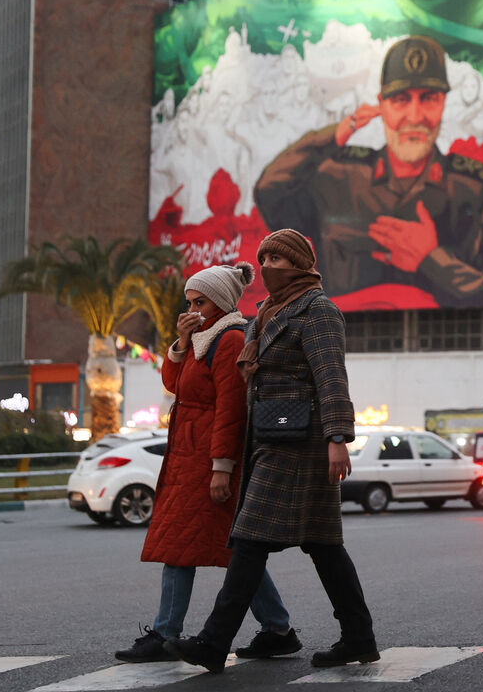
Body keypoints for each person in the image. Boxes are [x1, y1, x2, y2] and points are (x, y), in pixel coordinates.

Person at [163, 229, 377, 674]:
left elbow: (331, 377)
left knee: (248, 542)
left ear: (301, 263)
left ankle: (213, 641)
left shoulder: (318, 311)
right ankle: (358, 635)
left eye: (279, 258)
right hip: (270, 440)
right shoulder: (264, 315)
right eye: (264, 258)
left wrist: (338, 439)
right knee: (323, 545)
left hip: (302, 444)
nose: (268, 266)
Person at [254, 35, 483, 308]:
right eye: (401, 99)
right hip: (342, 347)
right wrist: (336, 134)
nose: (415, 116)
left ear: (443, 104)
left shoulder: (482, 193)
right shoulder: (338, 177)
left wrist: (432, 260)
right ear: (382, 104)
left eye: (429, 99)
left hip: (454, 345)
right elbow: (270, 192)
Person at [115, 263, 301, 663]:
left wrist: (222, 466)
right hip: (188, 457)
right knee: (233, 551)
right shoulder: (202, 337)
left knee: (183, 546)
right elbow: (174, 384)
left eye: (200, 301)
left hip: (205, 461)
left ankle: (166, 634)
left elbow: (230, 409)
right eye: (189, 301)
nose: (193, 308)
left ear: (219, 301)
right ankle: (277, 628)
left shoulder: (230, 338)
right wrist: (180, 343)